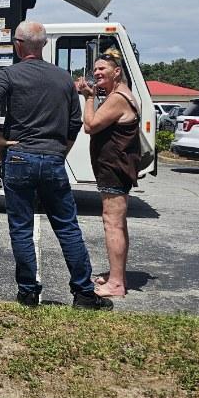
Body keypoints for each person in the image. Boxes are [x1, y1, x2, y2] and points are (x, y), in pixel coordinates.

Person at [0, 20, 112, 309]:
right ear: (43, 46)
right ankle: (84, 293)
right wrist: (60, 152)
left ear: (18, 44)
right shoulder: (64, 78)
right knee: (67, 227)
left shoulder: (10, 74)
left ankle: (28, 292)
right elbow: (74, 122)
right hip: (52, 158)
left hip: (20, 156)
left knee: (21, 228)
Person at [75, 48, 140, 298]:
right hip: (115, 168)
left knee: (112, 224)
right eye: (95, 69)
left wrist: (88, 98)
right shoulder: (119, 94)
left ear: (117, 71)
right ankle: (117, 275)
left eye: (102, 69)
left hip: (115, 169)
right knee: (118, 224)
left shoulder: (118, 98)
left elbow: (90, 125)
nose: (97, 72)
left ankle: (116, 284)